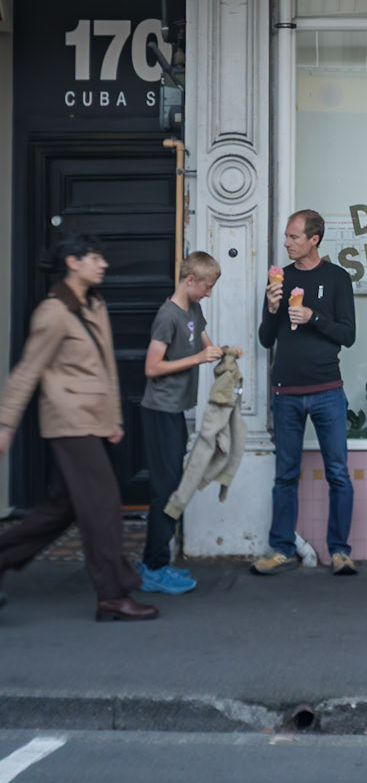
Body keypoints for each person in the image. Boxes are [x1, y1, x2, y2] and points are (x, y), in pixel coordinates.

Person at [0, 234, 157, 622]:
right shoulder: (53, 313)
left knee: (61, 510)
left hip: (92, 419)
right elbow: (27, 371)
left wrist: (113, 418)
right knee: (103, 508)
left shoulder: (93, 304)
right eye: (95, 257)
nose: (103, 264)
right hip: (69, 421)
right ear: (72, 262)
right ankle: (112, 596)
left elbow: (104, 368)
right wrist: (5, 423)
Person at [253, 208, 359, 577]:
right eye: (287, 236)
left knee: (338, 474)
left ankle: (340, 551)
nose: (286, 243)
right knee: (285, 475)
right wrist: (272, 308)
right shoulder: (280, 279)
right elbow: (266, 339)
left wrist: (313, 317)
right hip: (286, 392)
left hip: (328, 390)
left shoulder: (337, 278)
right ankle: (282, 549)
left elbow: (348, 335)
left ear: (314, 239)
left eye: (294, 237)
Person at [139, 249, 233, 596]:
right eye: (206, 287)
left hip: (175, 410)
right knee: (166, 491)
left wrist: (225, 353)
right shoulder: (167, 315)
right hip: (159, 411)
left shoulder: (194, 308)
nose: (209, 293)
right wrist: (198, 358)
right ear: (190, 280)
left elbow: (208, 346)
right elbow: (152, 367)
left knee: (173, 488)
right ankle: (153, 568)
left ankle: (157, 563)